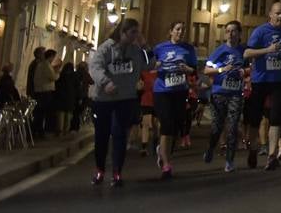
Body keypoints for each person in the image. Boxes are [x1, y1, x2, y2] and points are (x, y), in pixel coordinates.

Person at [87, 17, 150, 187]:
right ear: (123, 33)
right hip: (104, 99)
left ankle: (117, 172)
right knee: (101, 135)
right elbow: (95, 67)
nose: (135, 36)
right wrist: (106, 82)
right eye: (132, 32)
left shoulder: (135, 50)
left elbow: (149, 65)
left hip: (125, 98)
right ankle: (100, 170)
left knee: (120, 135)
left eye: (137, 33)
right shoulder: (107, 48)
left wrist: (145, 46)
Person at [243, 1, 281, 170]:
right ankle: (252, 149)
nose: (280, 16)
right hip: (260, 81)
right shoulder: (260, 31)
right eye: (277, 13)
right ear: (270, 14)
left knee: (276, 118)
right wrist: (268, 50)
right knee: (255, 120)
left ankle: (272, 156)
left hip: (279, 81)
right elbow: (247, 53)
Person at [152, 21, 198, 179]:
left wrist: (188, 69)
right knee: (166, 124)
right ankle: (166, 165)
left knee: (178, 125)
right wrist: (156, 65)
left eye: (183, 30)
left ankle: (162, 151)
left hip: (180, 90)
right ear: (171, 31)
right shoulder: (160, 48)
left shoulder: (188, 49)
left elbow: (194, 69)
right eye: (177, 29)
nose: (180, 32)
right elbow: (150, 64)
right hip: (162, 90)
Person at [204, 20, 247, 172]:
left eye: (233, 31)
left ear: (239, 33)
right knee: (217, 127)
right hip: (219, 93)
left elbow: (251, 68)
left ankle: (229, 160)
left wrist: (245, 72)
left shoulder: (244, 51)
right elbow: (206, 70)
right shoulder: (219, 51)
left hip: (235, 93)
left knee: (233, 126)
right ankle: (210, 148)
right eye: (228, 31)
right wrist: (222, 70)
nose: (230, 34)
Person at [33, 49, 62, 134]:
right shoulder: (46, 65)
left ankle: (39, 130)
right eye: (53, 57)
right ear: (51, 56)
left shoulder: (43, 64)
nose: (53, 59)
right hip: (44, 92)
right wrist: (57, 72)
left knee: (40, 113)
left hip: (41, 91)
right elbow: (53, 77)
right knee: (42, 112)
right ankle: (40, 131)